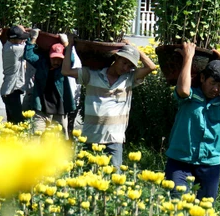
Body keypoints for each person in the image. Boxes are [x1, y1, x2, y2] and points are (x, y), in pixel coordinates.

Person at [165, 42, 220, 200]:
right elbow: (183, 90)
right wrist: (188, 57)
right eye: (213, 84)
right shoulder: (191, 93)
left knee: (205, 209)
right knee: (177, 203)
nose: (216, 90)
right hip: (180, 160)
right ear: (203, 78)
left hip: (209, 163)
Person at [61, 36, 156, 168]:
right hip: (90, 137)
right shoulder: (92, 74)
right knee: (87, 180)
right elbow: (65, 71)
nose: (126, 68)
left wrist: (133, 48)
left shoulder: (129, 78)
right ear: (116, 58)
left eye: (130, 66)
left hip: (114, 140)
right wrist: (70, 46)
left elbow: (151, 67)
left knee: (114, 181)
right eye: (124, 63)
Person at [23, 30, 75, 136]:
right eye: (54, 59)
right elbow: (28, 55)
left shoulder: (63, 68)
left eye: (59, 59)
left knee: (60, 140)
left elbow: (71, 59)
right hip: (41, 109)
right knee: (36, 137)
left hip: (59, 110)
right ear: (49, 56)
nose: (56, 62)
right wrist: (33, 38)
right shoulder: (41, 63)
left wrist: (66, 44)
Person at [0, 25, 30, 124]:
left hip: (10, 91)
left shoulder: (9, 45)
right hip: (10, 91)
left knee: (12, 123)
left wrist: (22, 31)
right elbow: (30, 48)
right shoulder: (14, 49)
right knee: (18, 123)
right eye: (20, 39)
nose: (22, 40)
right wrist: (33, 36)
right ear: (13, 39)